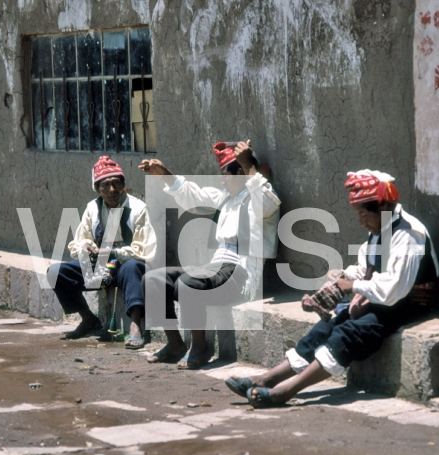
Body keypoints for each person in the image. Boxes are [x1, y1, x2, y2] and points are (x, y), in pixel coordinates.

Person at [225, 169, 439, 407]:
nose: (362, 222)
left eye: (364, 215)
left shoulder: (408, 233)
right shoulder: (380, 232)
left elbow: (394, 289)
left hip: (408, 304)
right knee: (327, 325)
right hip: (383, 301)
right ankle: (268, 378)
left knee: (349, 332)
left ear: (383, 207)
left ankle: (286, 392)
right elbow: (367, 267)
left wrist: (353, 286)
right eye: (358, 215)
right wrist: (343, 277)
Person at [139, 141, 281, 369]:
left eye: (226, 174)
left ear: (242, 173)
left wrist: (248, 165)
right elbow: (193, 195)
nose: (222, 180)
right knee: (154, 279)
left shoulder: (261, 197)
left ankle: (200, 347)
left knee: (189, 282)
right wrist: (165, 174)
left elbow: (264, 202)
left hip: (242, 275)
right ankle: (175, 344)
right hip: (217, 268)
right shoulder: (226, 199)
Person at [48, 156, 156, 346]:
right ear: (97, 189)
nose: (112, 190)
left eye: (116, 184)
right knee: (56, 272)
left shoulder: (138, 208)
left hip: (124, 266)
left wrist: (113, 253)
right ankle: (89, 319)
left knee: (132, 268)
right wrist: (86, 248)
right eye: (105, 186)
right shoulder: (93, 209)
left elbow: (145, 249)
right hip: (100, 267)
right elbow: (78, 242)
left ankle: (135, 326)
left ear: (123, 185)